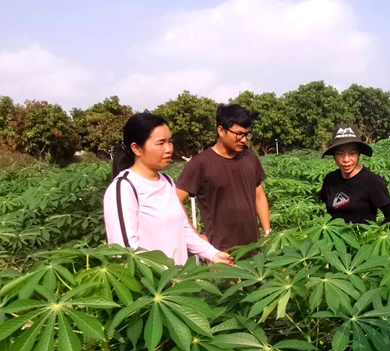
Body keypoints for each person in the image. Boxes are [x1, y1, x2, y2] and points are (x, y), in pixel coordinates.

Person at [103, 113, 233, 266]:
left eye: (170, 142)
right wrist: (166, 277)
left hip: (178, 282)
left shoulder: (167, 181)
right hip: (152, 285)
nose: (169, 149)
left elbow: (184, 229)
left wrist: (213, 254)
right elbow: (127, 252)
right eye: (161, 143)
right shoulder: (123, 187)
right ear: (136, 149)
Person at [176, 104, 271, 253]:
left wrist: (267, 232)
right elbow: (176, 200)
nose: (244, 140)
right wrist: (196, 236)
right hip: (220, 253)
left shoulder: (250, 158)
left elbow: (259, 196)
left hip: (253, 248)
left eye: (247, 134)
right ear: (221, 130)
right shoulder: (200, 163)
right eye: (239, 134)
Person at [319, 123, 390, 224]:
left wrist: (375, 235)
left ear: (359, 154)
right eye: (340, 153)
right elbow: (329, 213)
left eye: (352, 153)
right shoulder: (330, 180)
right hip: (335, 238)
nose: (346, 159)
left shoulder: (373, 182)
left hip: (362, 238)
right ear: (334, 155)